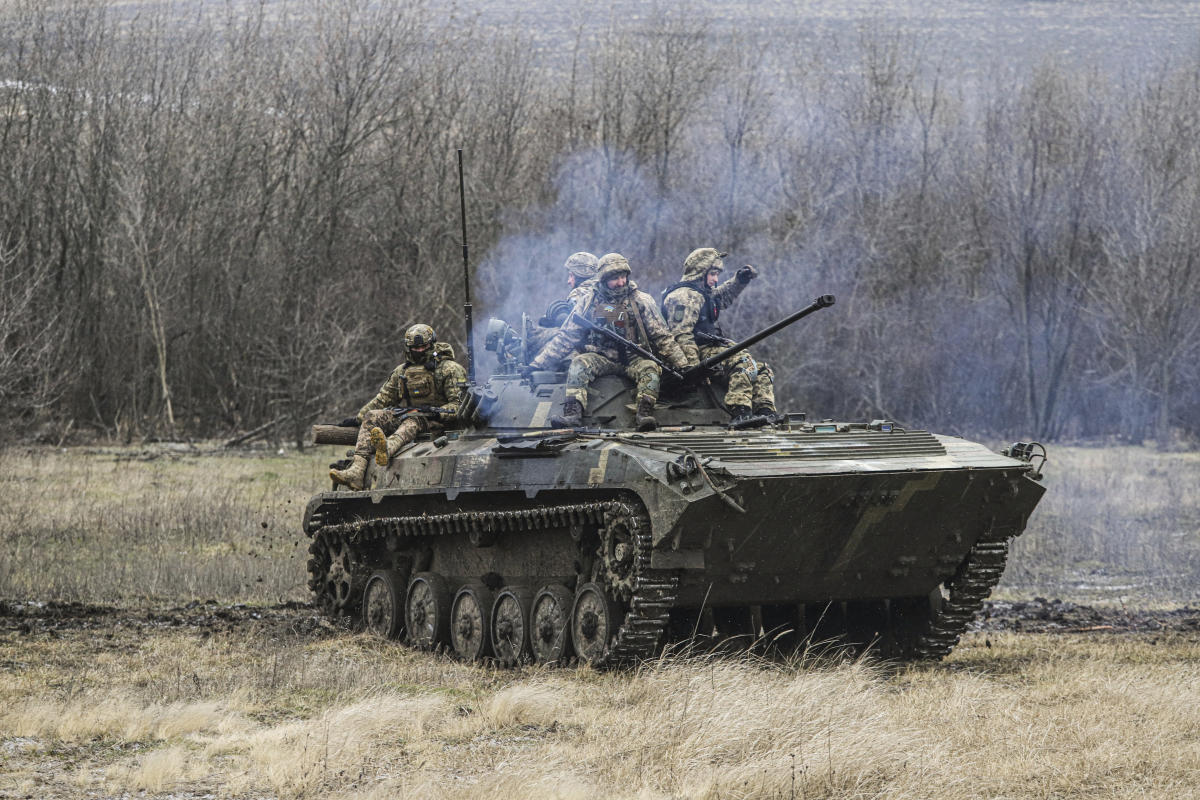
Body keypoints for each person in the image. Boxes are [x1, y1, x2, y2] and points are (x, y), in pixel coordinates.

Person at [527, 252, 688, 432]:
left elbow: (662, 336)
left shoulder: (641, 300)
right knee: (578, 364)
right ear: (603, 280)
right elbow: (567, 336)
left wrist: (683, 365)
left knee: (650, 369)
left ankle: (644, 414)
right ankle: (572, 414)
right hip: (601, 356)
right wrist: (537, 364)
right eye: (615, 279)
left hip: (634, 357)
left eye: (623, 277)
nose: (621, 283)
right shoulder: (588, 301)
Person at [329, 324, 467, 490]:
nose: (420, 350)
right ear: (409, 348)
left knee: (413, 420)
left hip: (440, 422)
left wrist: (437, 412)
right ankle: (356, 471)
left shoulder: (450, 369)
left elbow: (460, 405)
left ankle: (387, 448)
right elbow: (383, 399)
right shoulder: (402, 372)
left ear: (432, 345)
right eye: (415, 348)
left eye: (424, 346)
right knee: (372, 416)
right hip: (411, 416)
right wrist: (358, 418)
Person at [661, 247, 775, 421]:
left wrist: (739, 281)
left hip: (710, 349)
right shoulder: (684, 296)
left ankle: (765, 411)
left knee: (762, 369)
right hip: (698, 353)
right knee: (743, 362)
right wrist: (694, 369)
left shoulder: (701, 293)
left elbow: (720, 297)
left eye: (717, 274)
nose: (715, 279)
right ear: (700, 272)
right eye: (713, 274)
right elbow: (680, 335)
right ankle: (740, 411)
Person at [526, 252, 599, 354]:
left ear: (580, 274)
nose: (568, 281)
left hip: (588, 345)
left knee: (540, 336)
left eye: (571, 276)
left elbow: (572, 329)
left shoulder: (580, 293)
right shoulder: (604, 290)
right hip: (598, 345)